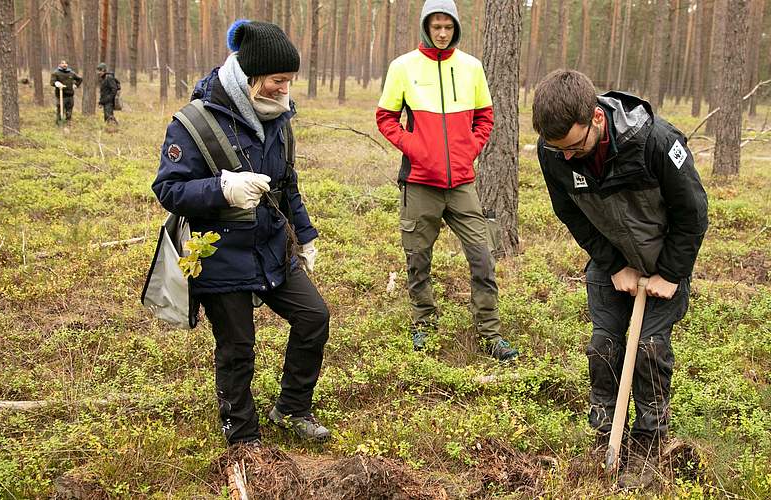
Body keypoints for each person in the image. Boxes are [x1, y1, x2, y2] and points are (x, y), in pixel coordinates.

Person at [152, 19, 331, 447]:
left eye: (289, 80)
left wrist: (305, 236)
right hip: (220, 257)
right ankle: (242, 433)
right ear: (251, 76)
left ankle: (291, 408)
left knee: (313, 318)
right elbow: (168, 189)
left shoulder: (279, 121)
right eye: (277, 80)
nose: (284, 89)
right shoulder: (194, 122)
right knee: (237, 349)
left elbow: (287, 185)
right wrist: (222, 188)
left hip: (272, 249)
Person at [530, 70, 708, 488]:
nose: (567, 157)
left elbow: (693, 214)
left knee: (647, 348)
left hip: (665, 263)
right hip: (611, 261)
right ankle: (606, 438)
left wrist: (669, 273)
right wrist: (613, 264)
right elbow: (570, 212)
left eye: (574, 146)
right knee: (602, 347)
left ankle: (649, 445)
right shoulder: (554, 151)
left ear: (595, 118)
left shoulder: (655, 142)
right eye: (559, 150)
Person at [375, 0, 518, 361]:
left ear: (456, 28)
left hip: (462, 184)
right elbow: (386, 118)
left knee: (482, 256)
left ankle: (490, 332)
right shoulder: (403, 67)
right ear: (426, 27)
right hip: (420, 182)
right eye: (436, 27)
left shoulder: (471, 67)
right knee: (418, 256)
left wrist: (468, 149)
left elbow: (485, 117)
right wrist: (416, 148)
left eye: (448, 27)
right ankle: (423, 321)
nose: (442, 33)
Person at [49, 60, 82, 124]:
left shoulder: (71, 73)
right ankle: (59, 124)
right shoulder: (56, 73)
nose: (64, 64)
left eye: (66, 63)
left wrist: (76, 85)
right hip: (61, 96)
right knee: (60, 110)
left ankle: (68, 123)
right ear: (59, 64)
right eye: (62, 63)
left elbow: (80, 79)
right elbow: (52, 82)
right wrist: (56, 83)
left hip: (70, 95)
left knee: (69, 110)